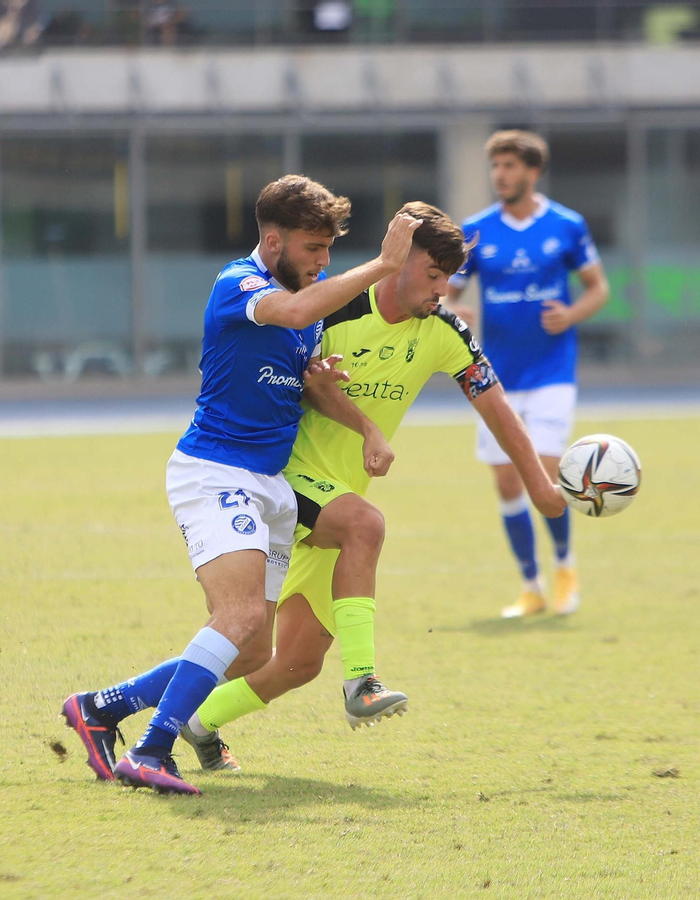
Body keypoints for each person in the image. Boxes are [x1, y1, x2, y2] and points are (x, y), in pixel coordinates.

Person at [61, 176, 419, 795]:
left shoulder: (299, 300)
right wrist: (386, 264)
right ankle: (151, 749)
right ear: (274, 240)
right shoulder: (240, 284)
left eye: (329, 248)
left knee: (251, 651)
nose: (323, 260)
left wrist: (356, 420)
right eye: (313, 247)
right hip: (216, 471)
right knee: (241, 613)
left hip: (271, 486)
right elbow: (302, 310)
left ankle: (100, 708)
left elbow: (299, 375)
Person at [179, 202, 568, 772]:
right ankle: (362, 684)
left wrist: (540, 485)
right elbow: (301, 380)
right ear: (400, 263)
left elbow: (495, 403)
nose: (442, 290)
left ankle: (196, 722)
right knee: (365, 524)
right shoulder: (336, 307)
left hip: (336, 497)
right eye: (434, 276)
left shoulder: (443, 331)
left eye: (450, 280)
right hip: (284, 479)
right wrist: (365, 427)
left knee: (294, 663)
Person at [446, 130, 610, 619]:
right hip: (495, 376)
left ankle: (564, 567)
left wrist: (572, 314)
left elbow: (598, 289)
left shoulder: (567, 224)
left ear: (532, 171)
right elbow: (447, 290)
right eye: (495, 166)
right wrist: (453, 310)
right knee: (506, 482)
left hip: (553, 371)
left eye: (510, 166)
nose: (501, 175)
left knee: (543, 468)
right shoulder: (476, 229)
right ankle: (531, 585)